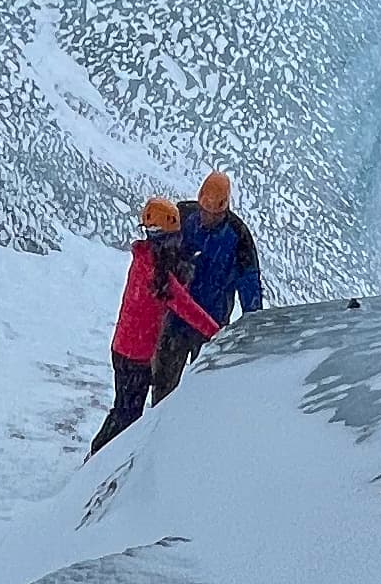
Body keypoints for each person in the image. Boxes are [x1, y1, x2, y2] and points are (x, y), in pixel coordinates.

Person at [89, 196, 218, 453]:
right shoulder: (156, 274)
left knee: (124, 409)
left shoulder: (145, 258)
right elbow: (184, 306)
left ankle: (98, 457)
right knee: (128, 414)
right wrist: (218, 333)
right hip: (135, 354)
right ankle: (98, 462)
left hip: (126, 348)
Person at [151, 169, 266, 401]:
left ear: (225, 209)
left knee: (203, 392)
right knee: (163, 387)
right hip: (176, 320)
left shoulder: (239, 236)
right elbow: (155, 248)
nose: (207, 217)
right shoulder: (182, 216)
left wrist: (253, 326)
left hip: (212, 326)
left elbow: (249, 284)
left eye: (214, 214)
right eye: (205, 211)